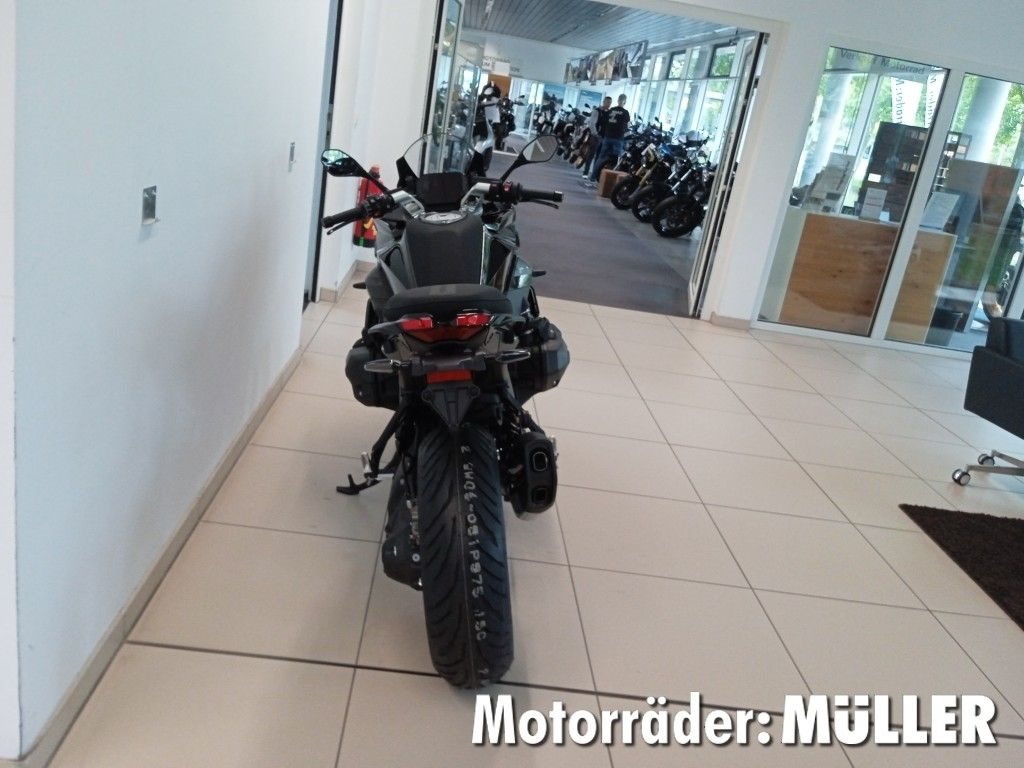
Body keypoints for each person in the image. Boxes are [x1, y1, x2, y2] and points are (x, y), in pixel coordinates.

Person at [586, 94, 630, 187]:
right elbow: (627, 126)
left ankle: (593, 178)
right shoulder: (625, 113)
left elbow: (605, 122)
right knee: (615, 161)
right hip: (618, 139)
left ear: (617, 100)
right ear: (625, 102)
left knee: (601, 158)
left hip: (607, 137)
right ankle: (608, 183)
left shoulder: (611, 110)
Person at [580, 96, 611, 179]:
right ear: (604, 102)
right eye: (607, 102)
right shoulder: (597, 111)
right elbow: (592, 123)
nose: (609, 104)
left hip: (604, 137)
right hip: (596, 137)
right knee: (591, 155)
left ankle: (593, 175)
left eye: (610, 103)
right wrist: (595, 134)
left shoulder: (609, 113)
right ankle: (586, 173)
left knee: (599, 157)